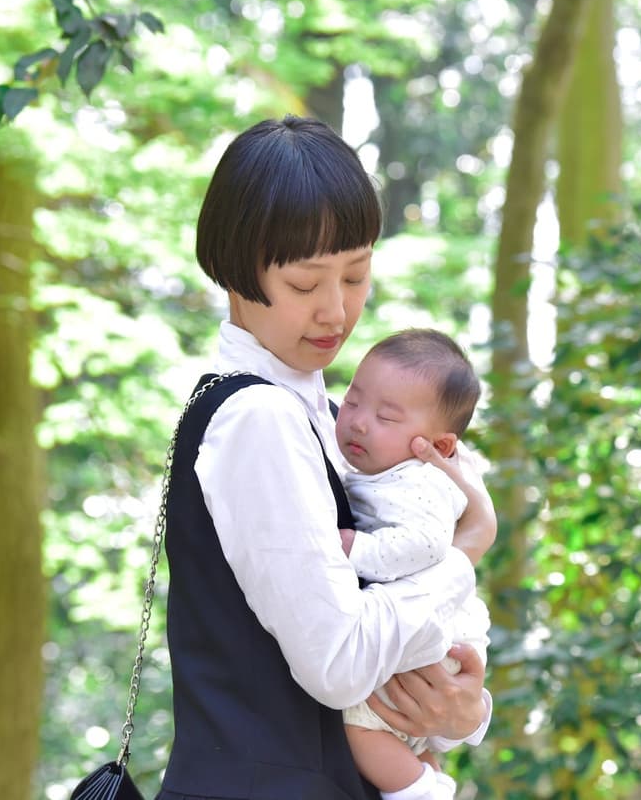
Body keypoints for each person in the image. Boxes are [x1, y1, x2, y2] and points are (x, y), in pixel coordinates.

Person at [158, 115, 491, 800]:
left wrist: (464, 710)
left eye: (357, 276)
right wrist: (466, 551)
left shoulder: (334, 419)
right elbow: (339, 663)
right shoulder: (259, 417)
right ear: (235, 266)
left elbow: (390, 662)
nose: (336, 311)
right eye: (307, 285)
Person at [334, 328, 496, 800]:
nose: (359, 423)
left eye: (386, 416)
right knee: (408, 733)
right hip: (425, 630)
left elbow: (423, 545)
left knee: (360, 723)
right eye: (353, 401)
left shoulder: (416, 483)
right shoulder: (379, 468)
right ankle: (427, 776)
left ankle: (421, 792)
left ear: (439, 448)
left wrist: (355, 549)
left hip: (437, 633)